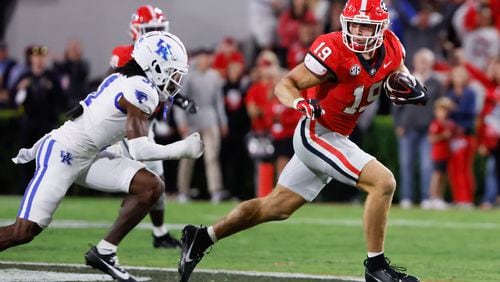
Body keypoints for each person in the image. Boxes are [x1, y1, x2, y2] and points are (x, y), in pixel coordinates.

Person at [178, 1, 425, 282]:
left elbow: (400, 74)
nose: (356, 31)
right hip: (317, 133)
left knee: (276, 207)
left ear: (381, 28)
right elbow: (286, 83)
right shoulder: (333, 49)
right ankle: (376, 268)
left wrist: (413, 87)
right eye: (353, 24)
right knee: (383, 182)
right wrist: (298, 102)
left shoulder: (393, 47)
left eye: (364, 25)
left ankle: (202, 238)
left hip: (336, 137)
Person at [0, 32, 203, 282]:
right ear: (156, 66)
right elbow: (140, 150)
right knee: (23, 232)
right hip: (64, 152)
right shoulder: (141, 88)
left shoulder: (127, 78)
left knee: (151, 187)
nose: (176, 80)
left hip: (90, 154)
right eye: (174, 72)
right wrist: (184, 149)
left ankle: (105, 252)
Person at [109, 5, 196, 248]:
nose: (156, 34)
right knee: (142, 183)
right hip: (126, 128)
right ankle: (112, 240)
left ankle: (159, 234)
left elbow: (163, 86)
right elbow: (113, 87)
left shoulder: (165, 54)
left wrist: (179, 99)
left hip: (148, 125)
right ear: (136, 30)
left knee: (157, 181)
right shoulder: (126, 55)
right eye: (151, 29)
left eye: (159, 29)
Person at [427, 97, 457, 210]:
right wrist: (443, 136)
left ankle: (439, 197)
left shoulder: (448, 123)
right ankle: (432, 197)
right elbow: (431, 139)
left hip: (446, 153)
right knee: (437, 175)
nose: (442, 113)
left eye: (444, 111)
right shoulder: (436, 124)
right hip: (438, 153)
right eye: (440, 110)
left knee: (443, 176)